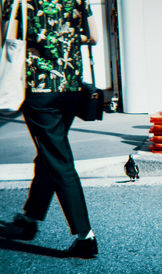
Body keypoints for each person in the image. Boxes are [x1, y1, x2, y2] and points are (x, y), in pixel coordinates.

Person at [1, 0, 99, 258]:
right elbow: (94, 37)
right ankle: (29, 219)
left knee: (58, 158)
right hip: (71, 87)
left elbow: (6, 35)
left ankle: (85, 236)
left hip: (39, 89)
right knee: (50, 152)